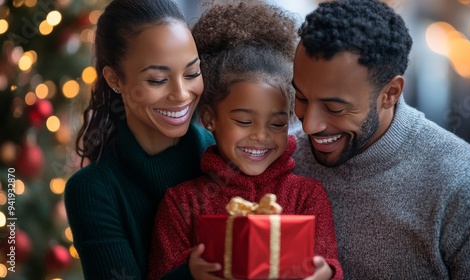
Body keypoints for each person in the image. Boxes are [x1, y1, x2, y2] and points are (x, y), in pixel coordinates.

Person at [290, 0, 470, 279]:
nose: (309, 123)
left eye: (335, 108)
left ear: (391, 92)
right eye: (301, 98)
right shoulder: (283, 160)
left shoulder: (468, 188)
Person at [147, 1, 343, 280]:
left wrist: (326, 274)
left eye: (276, 124)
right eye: (244, 121)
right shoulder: (182, 204)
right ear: (210, 118)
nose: (261, 135)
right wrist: (188, 273)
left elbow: (327, 264)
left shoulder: (306, 197)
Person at [64, 0, 215, 278]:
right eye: (157, 79)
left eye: (192, 73)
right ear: (115, 79)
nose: (182, 93)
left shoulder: (223, 155)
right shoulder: (92, 192)